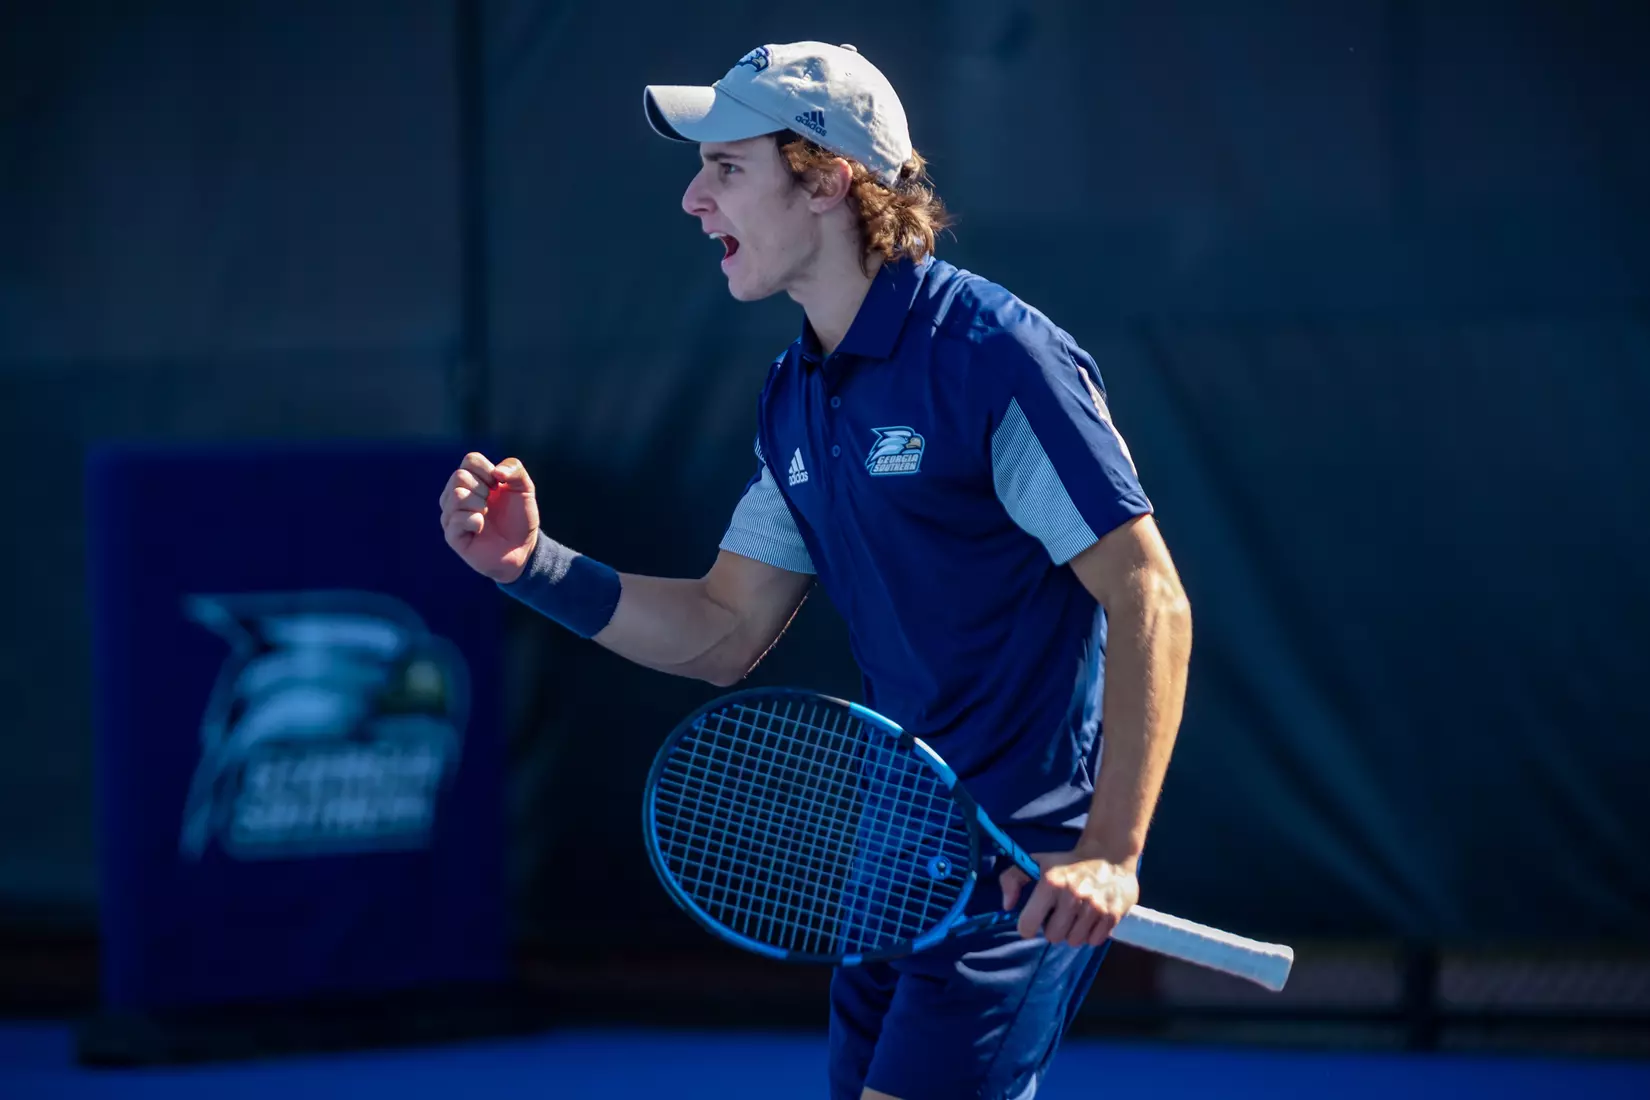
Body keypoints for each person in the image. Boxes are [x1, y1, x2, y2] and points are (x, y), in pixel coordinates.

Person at [439, 40, 1193, 1100]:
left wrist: (1110, 845)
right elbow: (719, 629)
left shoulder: (994, 356)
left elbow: (1148, 593)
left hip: (1021, 871)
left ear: (830, 180)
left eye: (728, 168)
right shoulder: (796, 394)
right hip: (893, 861)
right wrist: (531, 565)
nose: (696, 200)